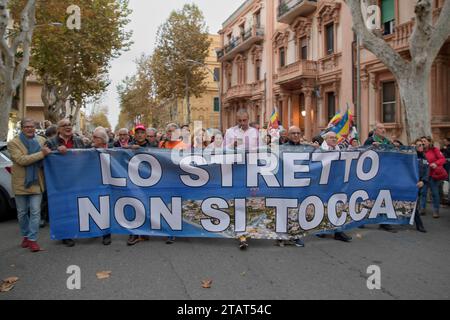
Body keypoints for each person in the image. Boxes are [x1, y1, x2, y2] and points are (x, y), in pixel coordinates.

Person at [8, 119, 52, 252]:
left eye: (32, 126)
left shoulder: (41, 140)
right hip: (21, 183)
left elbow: (50, 154)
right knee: (22, 213)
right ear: (22, 128)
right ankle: (25, 235)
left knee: (35, 211)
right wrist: (41, 154)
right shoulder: (13, 143)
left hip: (36, 182)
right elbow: (21, 160)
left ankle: (33, 239)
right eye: (27, 127)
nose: (30, 129)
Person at [46, 119, 86, 247]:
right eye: (64, 125)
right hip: (60, 182)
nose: (68, 127)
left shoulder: (79, 141)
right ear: (58, 129)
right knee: (63, 209)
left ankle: (77, 231)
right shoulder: (51, 142)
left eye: (69, 125)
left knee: (76, 207)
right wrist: (56, 150)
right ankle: (66, 235)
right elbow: (45, 159)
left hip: (77, 180)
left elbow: (88, 157)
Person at [224, 109, 260, 249]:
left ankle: (250, 229)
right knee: (238, 200)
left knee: (251, 200)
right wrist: (231, 146)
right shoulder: (230, 132)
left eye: (245, 120)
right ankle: (240, 233)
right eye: (240, 121)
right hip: (235, 171)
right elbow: (223, 150)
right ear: (236, 119)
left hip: (251, 169)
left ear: (248, 118)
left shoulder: (254, 132)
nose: (242, 123)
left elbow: (262, 149)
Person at [319, 132, 352, 243]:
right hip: (324, 183)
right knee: (324, 205)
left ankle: (338, 231)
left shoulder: (340, 150)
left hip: (337, 183)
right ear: (326, 139)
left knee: (338, 205)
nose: (334, 139)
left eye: (335, 138)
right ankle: (323, 229)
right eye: (331, 138)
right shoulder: (319, 150)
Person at [159, 123, 189, 245]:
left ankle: (173, 231)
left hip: (178, 179)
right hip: (164, 179)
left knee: (176, 204)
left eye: (173, 131)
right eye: (169, 132)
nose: (171, 134)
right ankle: (169, 230)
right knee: (166, 205)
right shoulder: (162, 144)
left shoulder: (183, 145)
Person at [363, 123, 396, 232]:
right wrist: (372, 147)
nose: (383, 130)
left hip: (385, 173)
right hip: (372, 173)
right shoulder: (370, 140)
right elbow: (363, 154)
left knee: (384, 196)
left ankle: (384, 222)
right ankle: (362, 218)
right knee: (370, 197)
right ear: (375, 130)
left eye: (384, 128)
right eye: (381, 128)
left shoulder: (387, 142)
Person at [91, 127, 113, 245]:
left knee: (105, 208)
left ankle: (106, 234)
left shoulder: (113, 150)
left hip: (109, 184)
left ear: (103, 140)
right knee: (95, 207)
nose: (92, 139)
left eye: (95, 138)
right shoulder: (88, 151)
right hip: (94, 183)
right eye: (93, 137)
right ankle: (94, 231)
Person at [421, 136, 447, 219]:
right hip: (424, 176)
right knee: (423, 193)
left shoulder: (434, 150)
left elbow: (443, 159)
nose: (423, 142)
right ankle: (422, 208)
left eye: (424, 141)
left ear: (429, 142)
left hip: (433, 175)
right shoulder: (420, 151)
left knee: (435, 193)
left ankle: (436, 210)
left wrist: (435, 163)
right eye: (421, 141)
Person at [414, 139, 428, 233]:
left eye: (422, 145)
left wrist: (423, 181)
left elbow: (427, 170)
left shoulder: (424, 158)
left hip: (420, 184)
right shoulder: (411, 157)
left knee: (415, 204)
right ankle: (419, 224)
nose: (421, 146)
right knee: (414, 204)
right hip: (411, 183)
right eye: (419, 145)